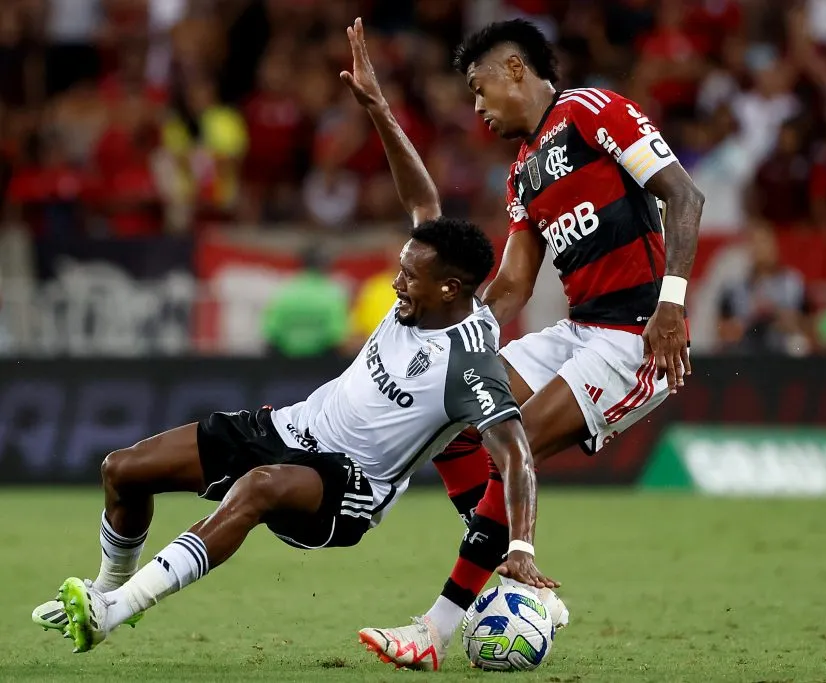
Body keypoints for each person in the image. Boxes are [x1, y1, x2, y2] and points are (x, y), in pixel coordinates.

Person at [31, 20, 556, 665]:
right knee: (122, 471)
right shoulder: (431, 263)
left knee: (255, 488)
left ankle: (116, 610)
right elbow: (421, 195)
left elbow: (516, 454)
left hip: (348, 488)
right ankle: (107, 589)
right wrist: (378, 108)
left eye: (409, 279)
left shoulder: (470, 360)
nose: (395, 283)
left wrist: (522, 548)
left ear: (451, 289)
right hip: (287, 428)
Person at [357, 18, 704, 669]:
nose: (478, 108)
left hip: (636, 338)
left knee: (513, 433)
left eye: (480, 89)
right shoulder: (522, 174)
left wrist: (672, 302)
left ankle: (435, 627)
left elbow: (684, 195)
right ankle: (493, 550)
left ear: (515, 69)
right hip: (579, 330)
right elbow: (513, 283)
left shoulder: (593, 113)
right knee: (454, 407)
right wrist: (452, 341)